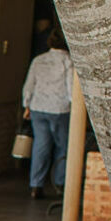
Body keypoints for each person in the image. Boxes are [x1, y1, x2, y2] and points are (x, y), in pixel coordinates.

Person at [22, 29, 75, 200]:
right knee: (63, 147)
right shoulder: (69, 61)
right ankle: (60, 183)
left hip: (38, 107)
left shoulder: (39, 60)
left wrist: (27, 105)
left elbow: (29, 84)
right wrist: (74, 105)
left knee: (41, 147)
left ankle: (36, 185)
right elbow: (71, 87)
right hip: (60, 108)